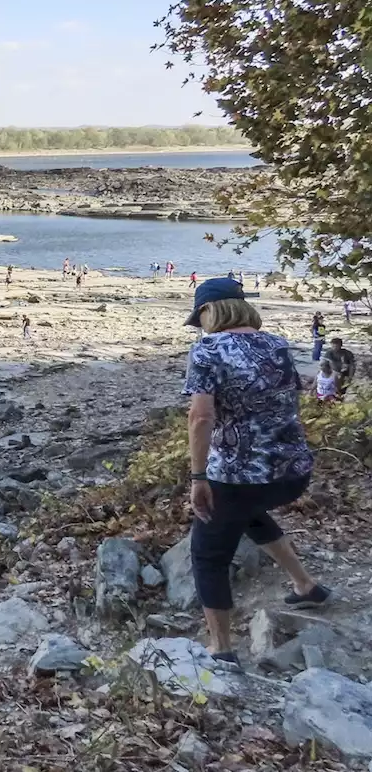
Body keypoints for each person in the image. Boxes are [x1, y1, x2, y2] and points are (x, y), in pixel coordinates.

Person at [182, 277, 328, 666]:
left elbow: (200, 416)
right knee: (248, 515)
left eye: (201, 317)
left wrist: (198, 478)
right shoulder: (278, 344)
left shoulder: (208, 350)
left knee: (208, 555)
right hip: (292, 471)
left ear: (211, 311)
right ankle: (306, 585)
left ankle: (221, 648)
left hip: (239, 476)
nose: (201, 326)